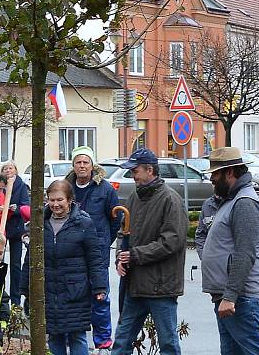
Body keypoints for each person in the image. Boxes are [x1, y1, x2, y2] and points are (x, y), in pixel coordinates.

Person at [111, 148, 188, 355]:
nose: (132, 175)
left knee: (168, 345)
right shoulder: (135, 198)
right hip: (135, 285)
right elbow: (123, 233)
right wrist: (120, 257)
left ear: (150, 170)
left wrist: (134, 255)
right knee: (121, 343)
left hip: (161, 287)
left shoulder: (170, 200)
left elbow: (172, 241)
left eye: (135, 171)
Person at [21, 178, 107, 355]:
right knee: (54, 335)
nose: (55, 204)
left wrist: (99, 286)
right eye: (51, 200)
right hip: (48, 289)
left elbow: (94, 257)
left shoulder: (84, 223)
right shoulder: (39, 223)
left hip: (75, 290)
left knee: (77, 335)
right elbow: (30, 257)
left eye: (59, 200)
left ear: (69, 200)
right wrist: (25, 287)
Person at [201, 147, 259, 355]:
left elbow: (245, 253)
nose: (212, 178)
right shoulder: (232, 199)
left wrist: (230, 296)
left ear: (230, 172)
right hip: (232, 299)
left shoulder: (244, 202)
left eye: (215, 173)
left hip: (241, 299)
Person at [65, 145, 121, 352]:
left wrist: (104, 241)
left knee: (100, 295)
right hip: (71, 252)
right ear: (73, 165)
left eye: (85, 162)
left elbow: (116, 219)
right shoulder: (65, 188)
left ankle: (103, 338)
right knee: (73, 294)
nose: (82, 166)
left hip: (97, 253)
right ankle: (74, 334)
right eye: (78, 162)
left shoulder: (105, 189)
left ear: (92, 165)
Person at [1, 161, 30, 307]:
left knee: (15, 265)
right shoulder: (0, 184)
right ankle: (0, 298)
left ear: (16, 170)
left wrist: (16, 208)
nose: (8, 170)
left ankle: (16, 300)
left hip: (16, 228)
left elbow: (26, 204)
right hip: (2, 228)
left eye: (10, 168)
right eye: (5, 168)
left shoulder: (21, 186)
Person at [194, 192, 222, 260]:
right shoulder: (207, 204)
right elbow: (200, 234)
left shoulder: (234, 203)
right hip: (210, 262)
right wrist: (204, 256)